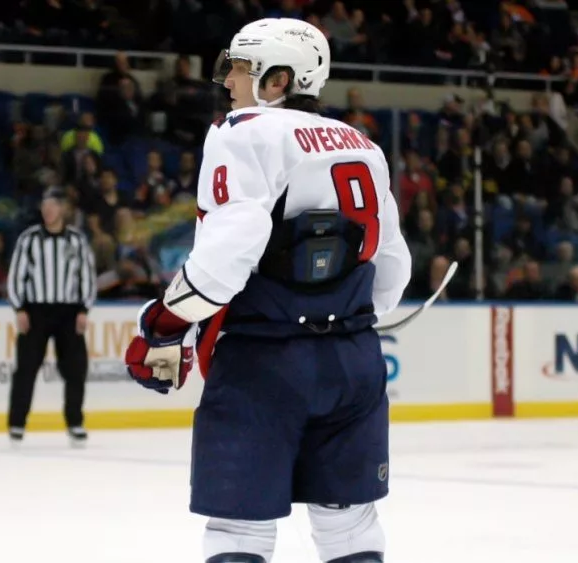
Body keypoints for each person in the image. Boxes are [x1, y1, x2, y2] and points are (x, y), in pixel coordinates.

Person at [123, 18, 412, 563]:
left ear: (278, 80)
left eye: (239, 68)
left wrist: (166, 324)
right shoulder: (364, 145)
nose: (228, 81)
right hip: (355, 363)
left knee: (239, 532)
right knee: (351, 531)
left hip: (265, 364)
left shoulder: (242, 130)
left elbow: (226, 258)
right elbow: (391, 272)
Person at [6, 187, 96, 448]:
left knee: (75, 369)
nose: (48, 210)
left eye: (53, 205)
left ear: (62, 209)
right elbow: (16, 275)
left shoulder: (77, 241)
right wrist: (19, 308)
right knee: (26, 368)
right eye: (44, 205)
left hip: (68, 312)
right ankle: (17, 423)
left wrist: (84, 310)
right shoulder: (29, 239)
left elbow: (87, 277)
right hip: (36, 311)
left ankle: (75, 422)